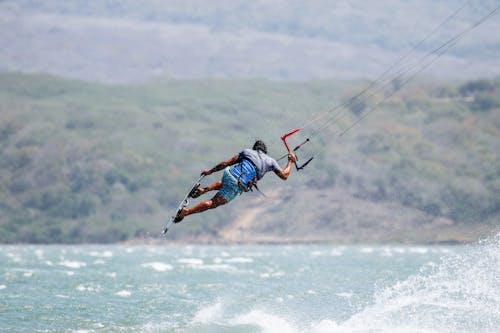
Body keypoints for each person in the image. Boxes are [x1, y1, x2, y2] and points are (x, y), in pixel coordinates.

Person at [173, 140, 297, 223]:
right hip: (238, 184)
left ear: (255, 148)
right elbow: (284, 175)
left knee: (226, 181)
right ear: (265, 151)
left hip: (229, 173)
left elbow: (225, 163)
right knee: (213, 203)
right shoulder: (271, 161)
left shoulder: (247, 152)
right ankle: (186, 212)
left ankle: (204, 190)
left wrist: (209, 171)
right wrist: (290, 161)